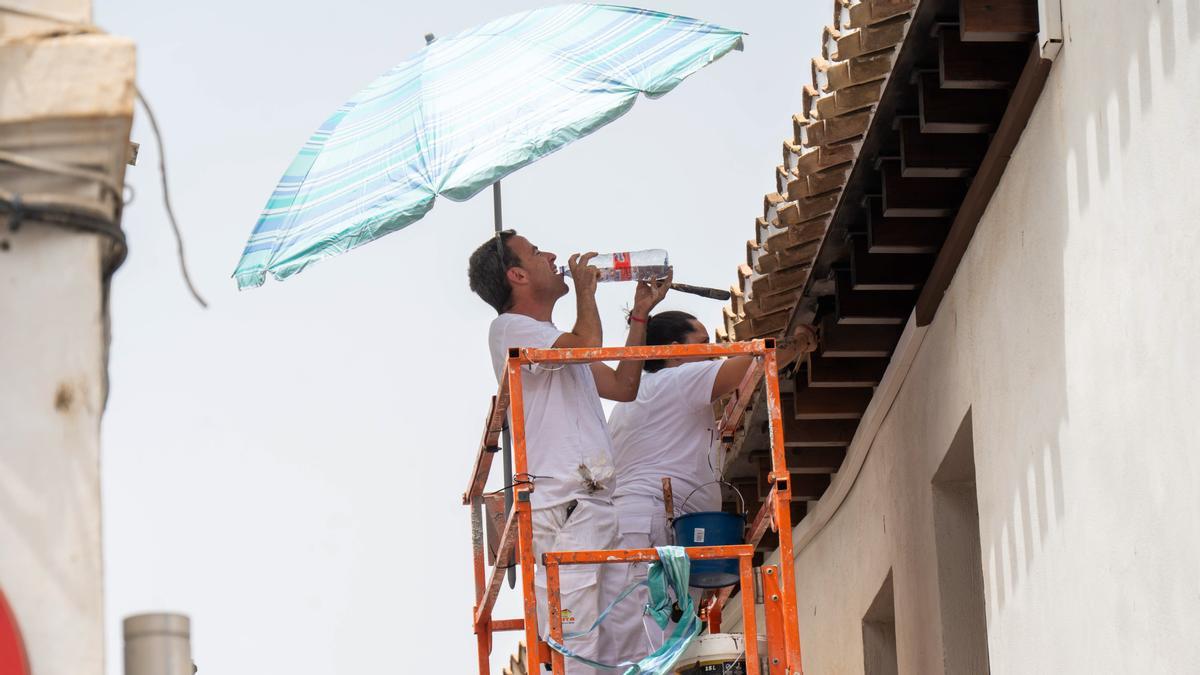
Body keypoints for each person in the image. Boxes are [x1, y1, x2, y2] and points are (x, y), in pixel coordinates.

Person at [467, 229, 670, 674]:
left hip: (594, 505)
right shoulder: (509, 328)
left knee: (622, 642)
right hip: (562, 509)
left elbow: (623, 386)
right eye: (537, 252)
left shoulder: (555, 341)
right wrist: (584, 289)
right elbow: (588, 344)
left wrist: (638, 316)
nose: (553, 255)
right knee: (577, 645)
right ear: (516, 274)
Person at [605, 311, 818, 664]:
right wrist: (799, 343)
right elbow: (753, 364)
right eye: (703, 341)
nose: (714, 350)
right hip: (653, 521)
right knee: (659, 641)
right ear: (674, 350)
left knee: (655, 633)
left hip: (647, 523)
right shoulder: (677, 379)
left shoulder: (643, 396)